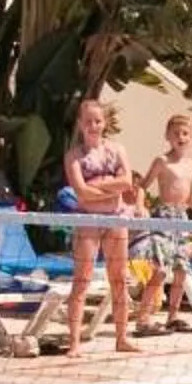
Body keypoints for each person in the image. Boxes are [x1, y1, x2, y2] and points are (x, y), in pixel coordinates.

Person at [60, 100, 143, 357]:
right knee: (81, 280)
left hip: (116, 219)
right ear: (80, 125)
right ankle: (74, 342)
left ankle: (122, 337)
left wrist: (99, 186)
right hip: (88, 221)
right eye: (88, 122)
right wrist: (109, 186)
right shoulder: (73, 156)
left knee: (119, 280)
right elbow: (81, 194)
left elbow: (127, 182)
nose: (93, 126)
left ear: (105, 123)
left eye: (97, 121)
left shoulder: (117, 150)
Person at [134, 112, 192, 335]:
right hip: (164, 217)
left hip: (182, 219)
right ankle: (143, 320)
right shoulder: (162, 162)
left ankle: (173, 317)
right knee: (159, 270)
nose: (181, 137)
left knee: (181, 271)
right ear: (168, 136)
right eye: (176, 133)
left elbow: (190, 198)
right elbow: (142, 185)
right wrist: (141, 206)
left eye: (185, 133)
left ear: (190, 137)